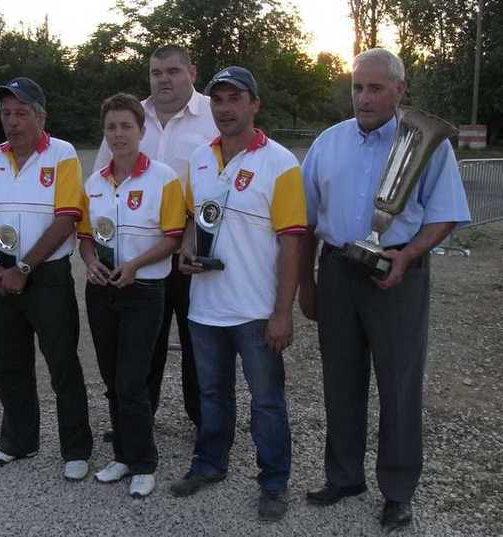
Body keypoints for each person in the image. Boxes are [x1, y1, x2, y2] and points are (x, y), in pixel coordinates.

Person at [299, 48, 471, 530]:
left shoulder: (427, 144)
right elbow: (306, 222)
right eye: (357, 87)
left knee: (399, 386)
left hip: (398, 274)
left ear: (399, 90)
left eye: (375, 88)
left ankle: (397, 490)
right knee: (340, 381)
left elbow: (444, 214)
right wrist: (307, 283)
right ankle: (344, 476)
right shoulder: (327, 144)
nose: (364, 97)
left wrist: (409, 255)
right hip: (336, 271)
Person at [170, 66, 307, 522]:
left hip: (254, 308)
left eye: (235, 99)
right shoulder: (199, 158)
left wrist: (281, 313)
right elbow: (193, 219)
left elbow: (292, 242)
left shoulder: (281, 163)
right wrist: (187, 249)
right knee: (212, 394)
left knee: (267, 400)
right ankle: (209, 464)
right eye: (218, 99)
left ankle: (273, 482)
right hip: (206, 307)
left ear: (254, 104)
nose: (225, 108)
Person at [0, 77, 93, 480]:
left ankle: (75, 449)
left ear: (41, 116)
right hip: (2, 275)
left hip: (46, 276)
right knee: (6, 363)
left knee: (61, 363)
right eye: (6, 113)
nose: (12, 121)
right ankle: (18, 442)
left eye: (22, 113)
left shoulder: (62, 154)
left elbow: (67, 217)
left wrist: (25, 268)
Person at [94, 46, 218, 436]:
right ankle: (138, 417)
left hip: (193, 248)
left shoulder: (214, 117)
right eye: (156, 72)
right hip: (141, 254)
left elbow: (222, 185)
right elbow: (102, 178)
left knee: (196, 340)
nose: (164, 79)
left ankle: (203, 421)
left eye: (173, 71)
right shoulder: (130, 118)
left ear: (192, 72)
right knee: (144, 342)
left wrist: (193, 237)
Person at [79, 93, 186, 497]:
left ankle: (144, 462)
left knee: (132, 380)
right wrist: (90, 262)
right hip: (101, 291)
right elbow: (86, 238)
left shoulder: (163, 178)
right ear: (105, 134)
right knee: (111, 380)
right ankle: (122, 456)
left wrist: (135, 265)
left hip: (143, 290)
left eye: (126, 126)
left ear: (141, 131)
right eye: (111, 127)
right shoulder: (94, 183)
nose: (119, 134)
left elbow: (173, 237)